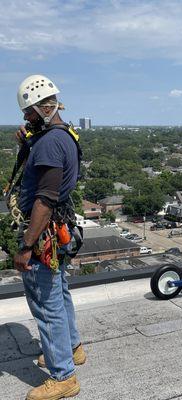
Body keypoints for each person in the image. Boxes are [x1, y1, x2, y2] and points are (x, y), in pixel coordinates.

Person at [13, 74, 85, 400]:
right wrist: (27, 144)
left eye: (28, 111)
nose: (25, 117)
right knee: (60, 290)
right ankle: (73, 348)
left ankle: (63, 376)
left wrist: (27, 246)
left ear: (45, 107)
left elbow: (45, 198)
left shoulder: (50, 143)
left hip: (45, 233)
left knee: (47, 303)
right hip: (59, 228)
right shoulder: (61, 134)